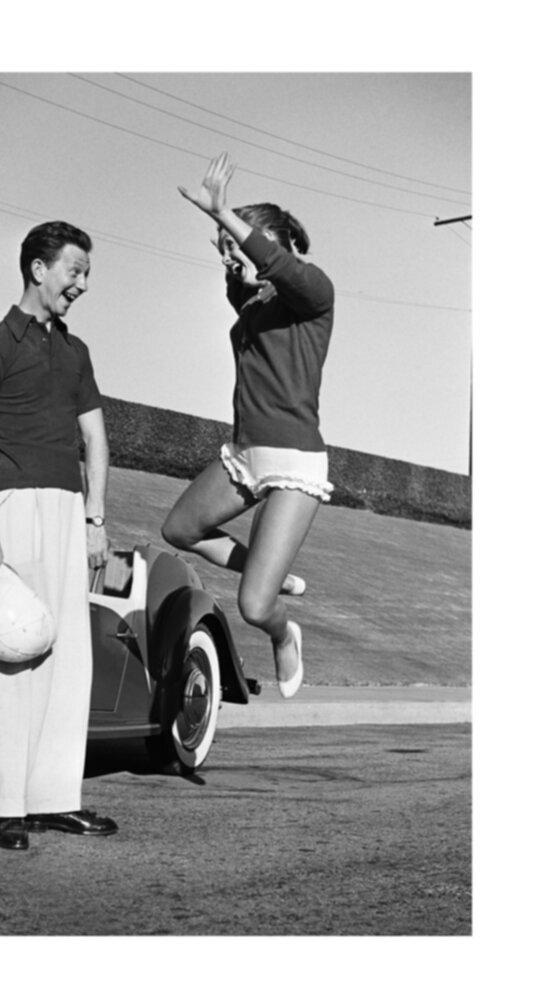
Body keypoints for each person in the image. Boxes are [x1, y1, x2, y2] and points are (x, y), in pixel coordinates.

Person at [0, 220, 117, 851]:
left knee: (68, 655)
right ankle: (7, 807)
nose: (81, 285)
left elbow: (96, 440)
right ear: (38, 269)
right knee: (11, 652)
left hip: (68, 513)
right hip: (12, 507)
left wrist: (96, 519)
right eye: (74, 271)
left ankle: (56, 799)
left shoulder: (75, 353)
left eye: (85, 274)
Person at [162, 153, 335, 698]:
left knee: (254, 606)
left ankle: (285, 633)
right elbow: (247, 273)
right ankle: (268, 568)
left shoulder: (313, 295)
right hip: (245, 454)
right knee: (180, 531)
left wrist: (225, 218)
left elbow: (276, 265)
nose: (231, 259)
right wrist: (226, 242)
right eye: (226, 254)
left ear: (274, 244)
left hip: (293, 464)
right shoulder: (251, 302)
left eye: (238, 247)